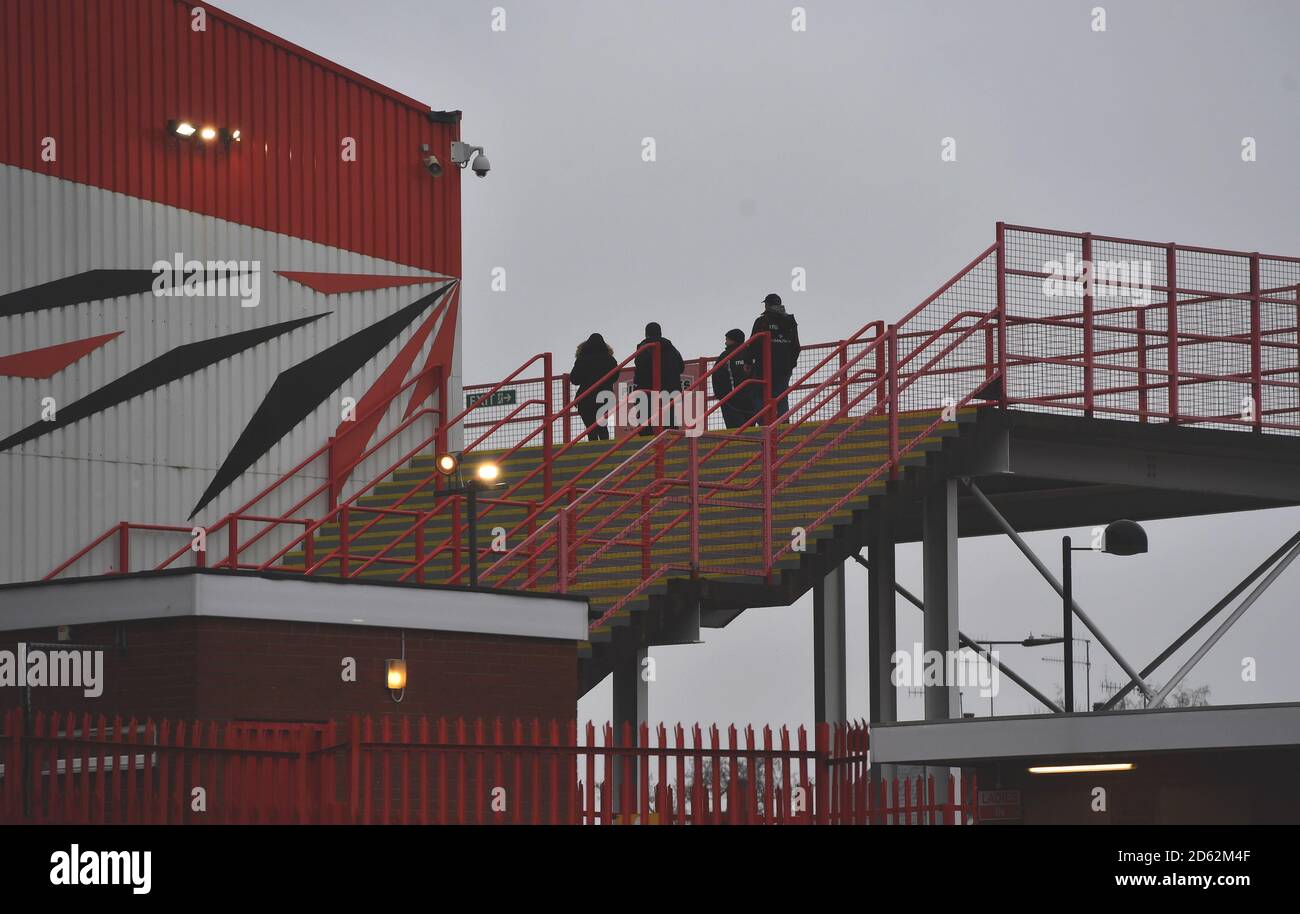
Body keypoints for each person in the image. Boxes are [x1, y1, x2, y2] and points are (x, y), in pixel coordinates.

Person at [751, 293, 801, 423]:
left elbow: (754, 343)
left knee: (757, 394)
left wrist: (749, 361)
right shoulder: (790, 321)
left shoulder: (762, 321)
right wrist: (790, 364)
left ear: (767, 305)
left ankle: (765, 423)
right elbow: (796, 346)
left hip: (764, 366)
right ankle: (783, 424)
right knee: (781, 396)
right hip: (784, 367)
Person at [633, 322, 685, 435]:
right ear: (660, 333)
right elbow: (681, 367)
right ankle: (671, 445)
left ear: (646, 334)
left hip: (648, 390)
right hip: (670, 389)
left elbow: (641, 370)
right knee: (669, 419)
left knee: (646, 421)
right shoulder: (672, 349)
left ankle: (648, 447)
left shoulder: (644, 347)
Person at [569, 333, 618, 441]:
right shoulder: (610, 360)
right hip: (605, 396)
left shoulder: (582, 359)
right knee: (602, 426)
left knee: (590, 428)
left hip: (586, 398)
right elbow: (615, 377)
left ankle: (594, 446)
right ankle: (606, 449)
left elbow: (574, 379)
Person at [712, 328, 757, 429]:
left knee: (734, 431)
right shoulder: (750, 353)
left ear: (732, 340)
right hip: (751, 400)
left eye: (727, 339)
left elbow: (716, 375)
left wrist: (720, 396)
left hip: (731, 401)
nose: (725, 342)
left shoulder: (726, 356)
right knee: (750, 431)